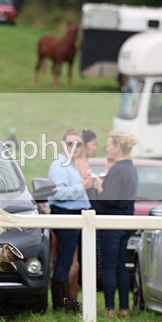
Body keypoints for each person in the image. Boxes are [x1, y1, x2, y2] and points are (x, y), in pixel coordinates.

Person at [47, 129, 95, 312]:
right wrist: (81, 186)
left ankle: (69, 302)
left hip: (77, 214)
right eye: (70, 143)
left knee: (74, 260)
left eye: (79, 144)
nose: (75, 147)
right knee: (66, 261)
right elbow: (57, 193)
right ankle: (62, 304)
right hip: (66, 214)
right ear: (63, 145)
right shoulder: (60, 165)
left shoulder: (74, 165)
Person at [92, 131, 138, 319]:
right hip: (126, 221)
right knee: (120, 265)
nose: (106, 148)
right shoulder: (131, 168)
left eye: (109, 145)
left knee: (109, 266)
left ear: (117, 147)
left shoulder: (118, 169)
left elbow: (108, 199)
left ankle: (110, 308)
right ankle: (124, 308)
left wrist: (99, 188)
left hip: (112, 222)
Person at [68, 128, 99, 305]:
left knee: (79, 259)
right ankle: (71, 298)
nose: (95, 148)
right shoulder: (80, 162)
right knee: (77, 260)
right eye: (93, 144)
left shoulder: (81, 162)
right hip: (81, 214)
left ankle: (73, 297)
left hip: (84, 213)